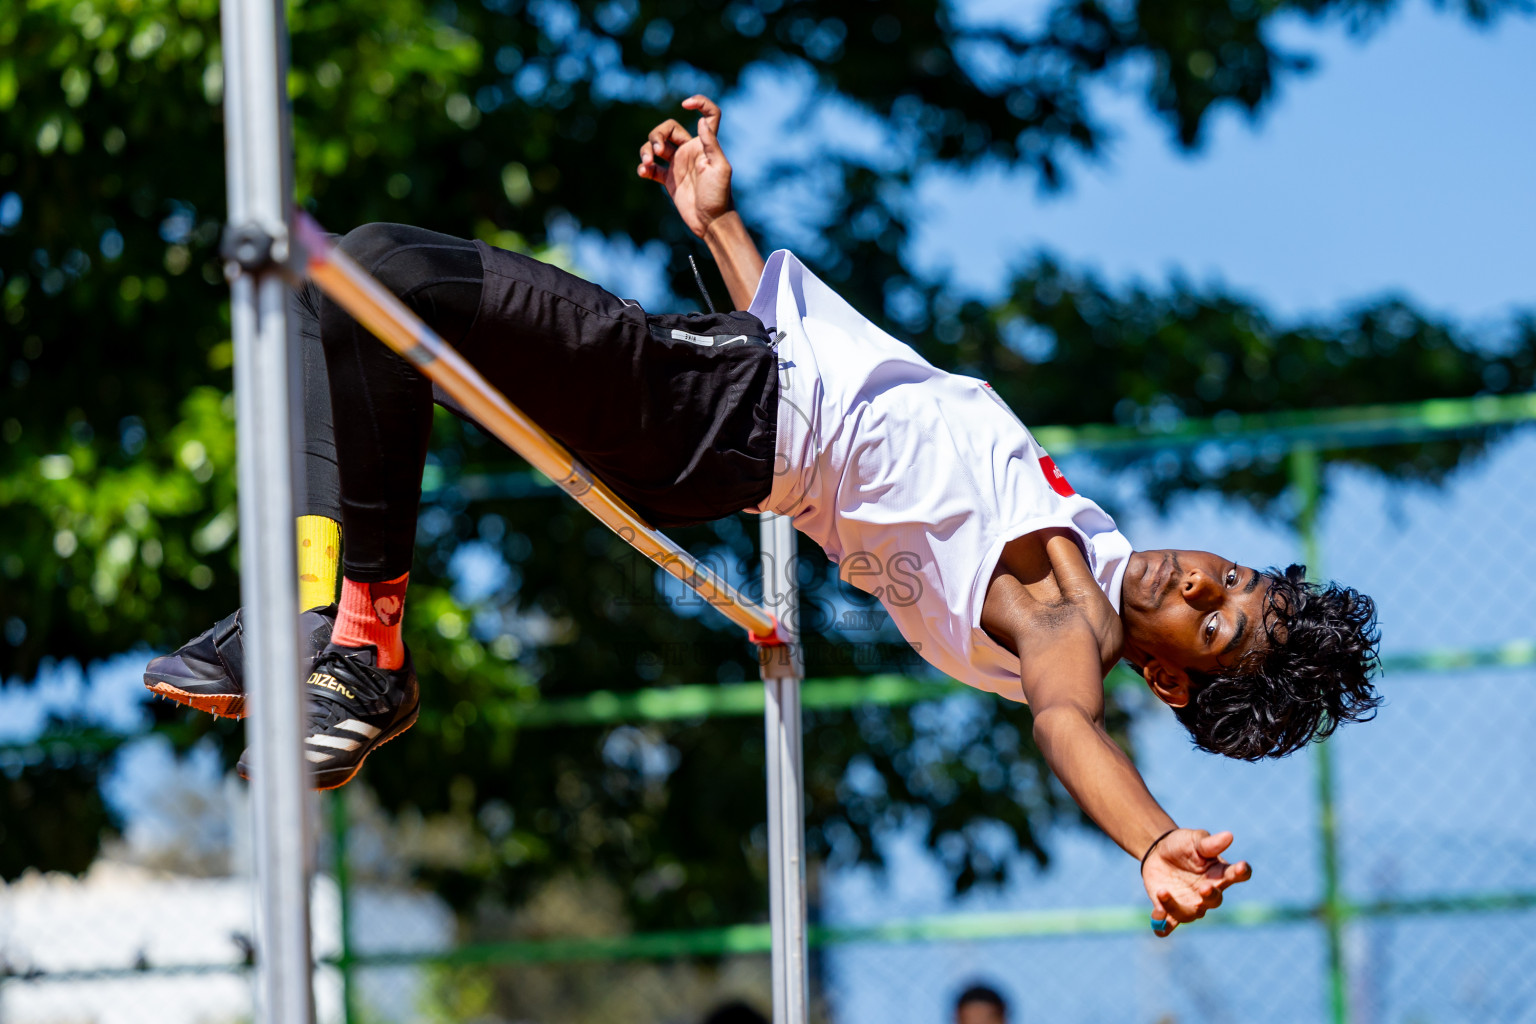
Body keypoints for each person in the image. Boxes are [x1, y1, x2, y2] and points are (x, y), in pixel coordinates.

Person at [146, 96, 1382, 935]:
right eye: (1234, 581)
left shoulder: (1064, 604)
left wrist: (1153, 841)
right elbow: (863, 392)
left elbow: (1069, 725)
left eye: (1211, 629)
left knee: (384, 272)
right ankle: (326, 613)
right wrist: (721, 224)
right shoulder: (1090, 547)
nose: (1200, 587)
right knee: (358, 310)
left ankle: (362, 646)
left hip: (720, 404)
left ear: (1169, 682)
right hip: (742, 403)